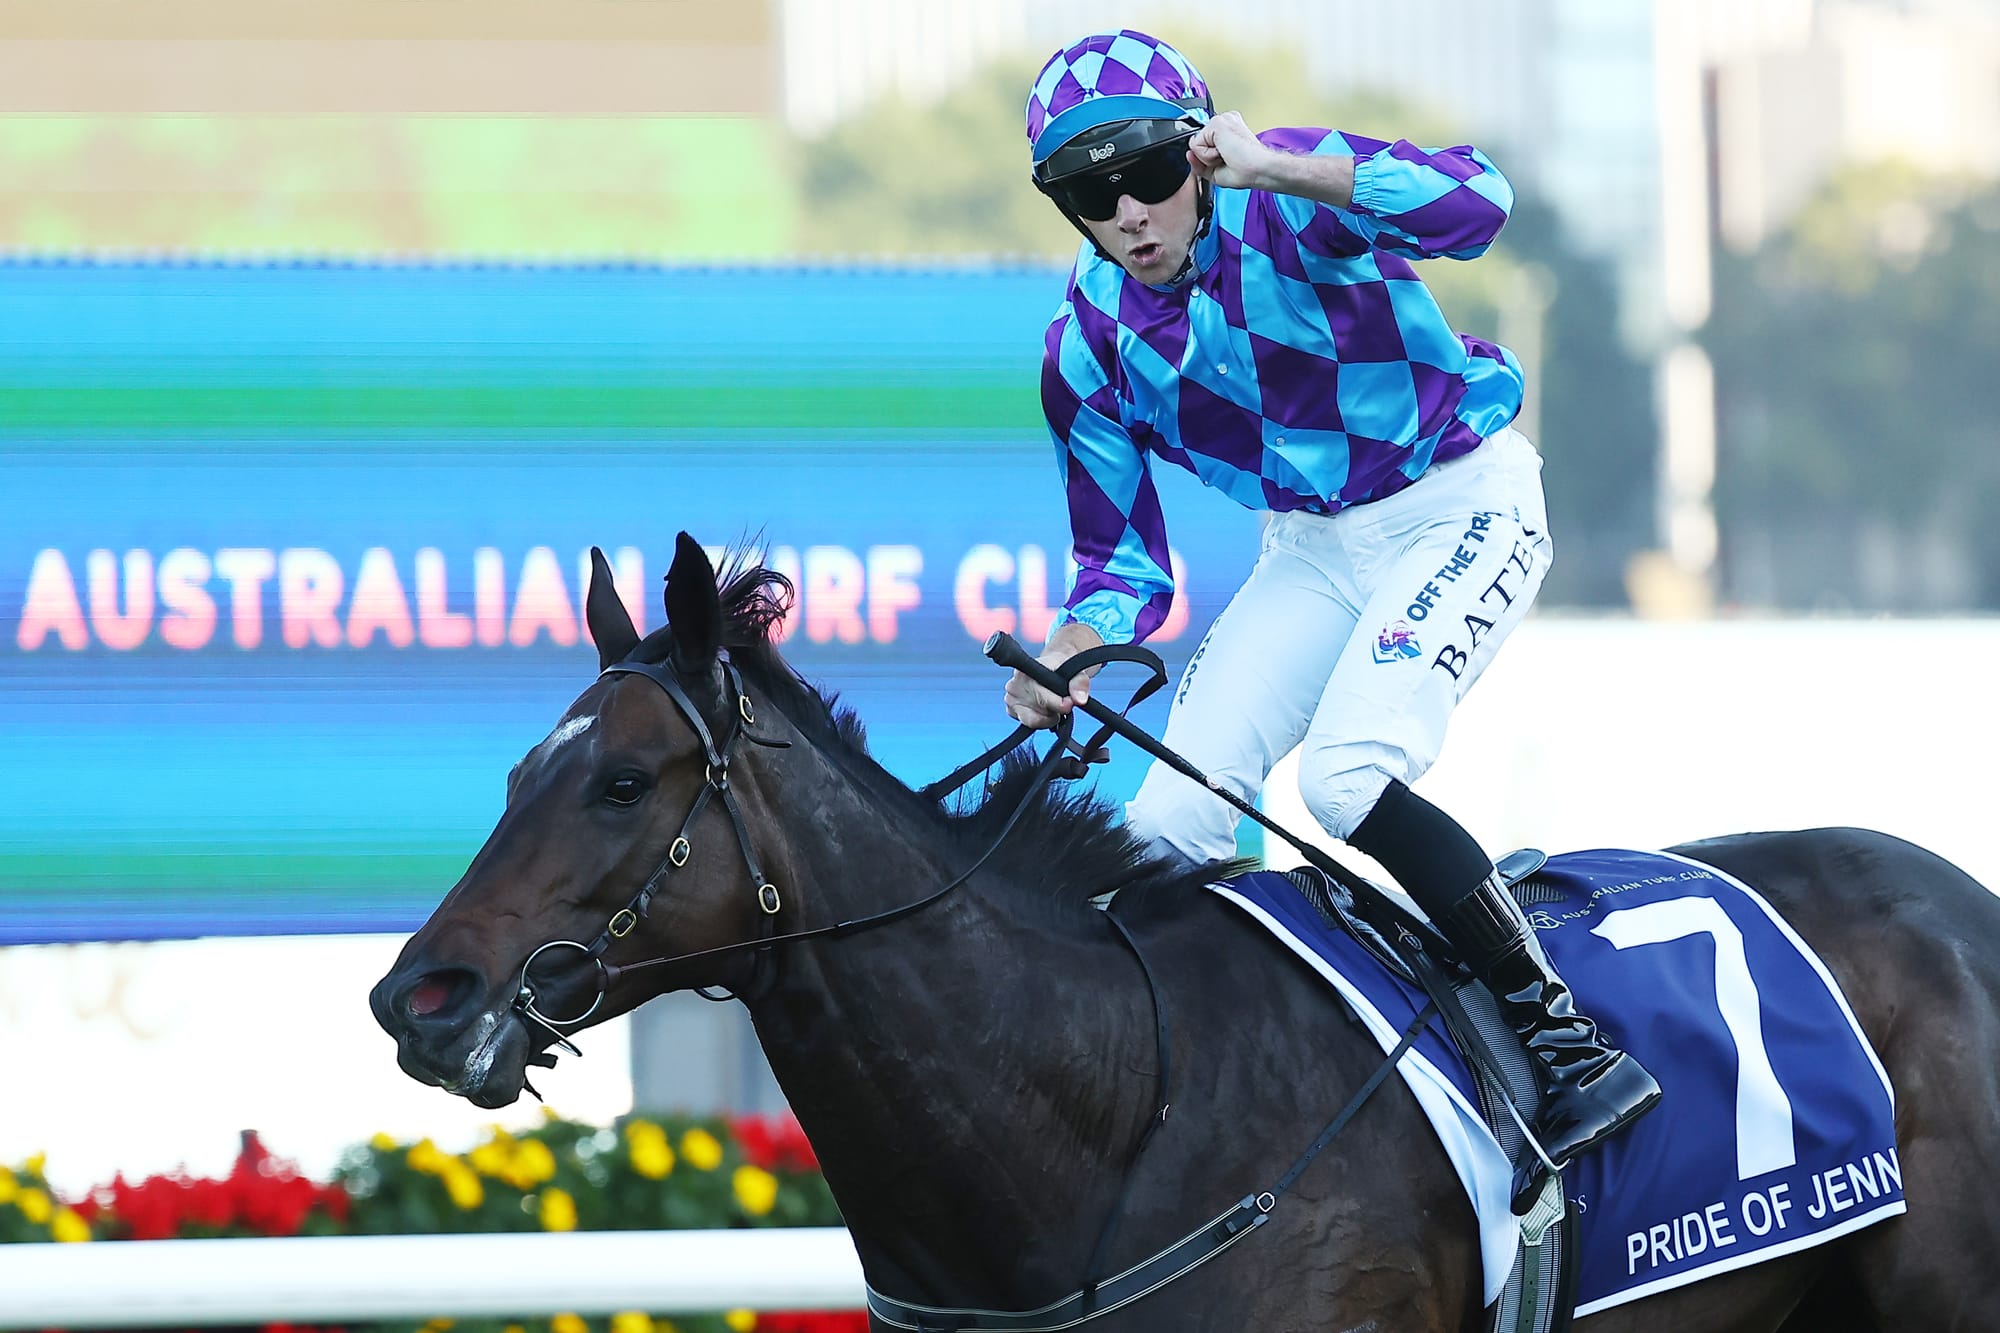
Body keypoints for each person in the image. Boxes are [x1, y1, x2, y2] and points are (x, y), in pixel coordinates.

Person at [1006, 29, 1659, 1208]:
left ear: (1198, 150)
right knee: (1163, 822)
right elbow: (1118, 567)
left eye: (1148, 173)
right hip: (1311, 549)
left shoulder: (1290, 195)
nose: (1130, 214)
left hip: (1459, 499)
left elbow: (1481, 204)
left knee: (1346, 775)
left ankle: (1562, 1044)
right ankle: (1217, 1096)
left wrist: (1283, 166)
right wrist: (1066, 651)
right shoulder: (1083, 350)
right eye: (1091, 197)